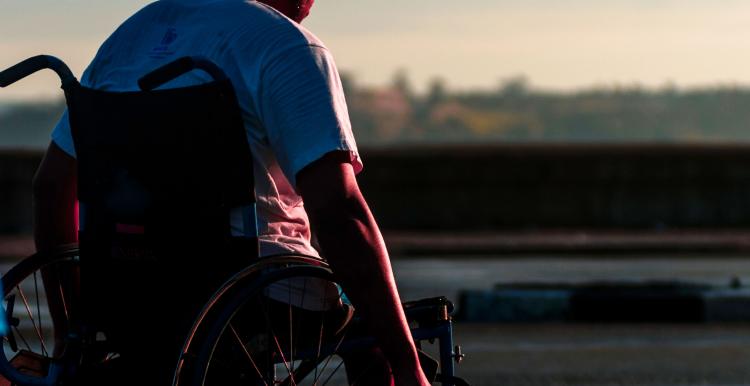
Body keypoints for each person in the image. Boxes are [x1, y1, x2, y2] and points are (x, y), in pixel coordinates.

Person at [32, 0, 431, 385]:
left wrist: (70, 334)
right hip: (251, 299)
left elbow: (50, 188)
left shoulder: (129, 38)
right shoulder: (285, 43)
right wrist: (407, 363)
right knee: (371, 335)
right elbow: (340, 212)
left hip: (125, 298)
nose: (310, 7)